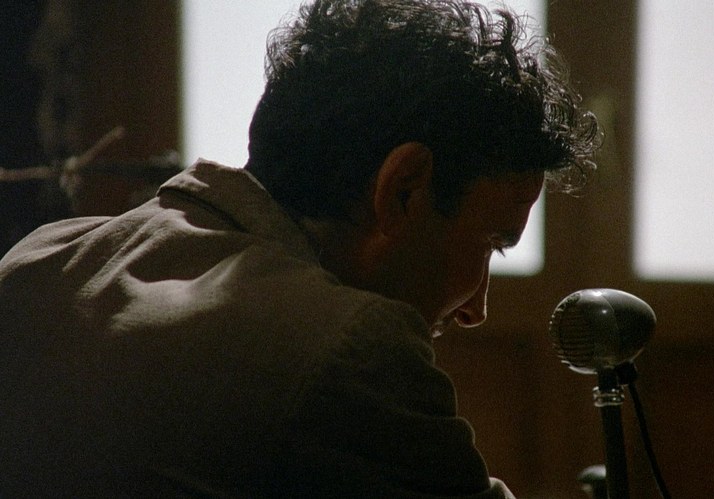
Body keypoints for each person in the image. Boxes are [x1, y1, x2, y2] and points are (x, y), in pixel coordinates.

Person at [0, 0, 599, 496]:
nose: (476, 309)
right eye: (491, 243)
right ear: (404, 189)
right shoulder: (350, 350)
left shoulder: (38, 261)